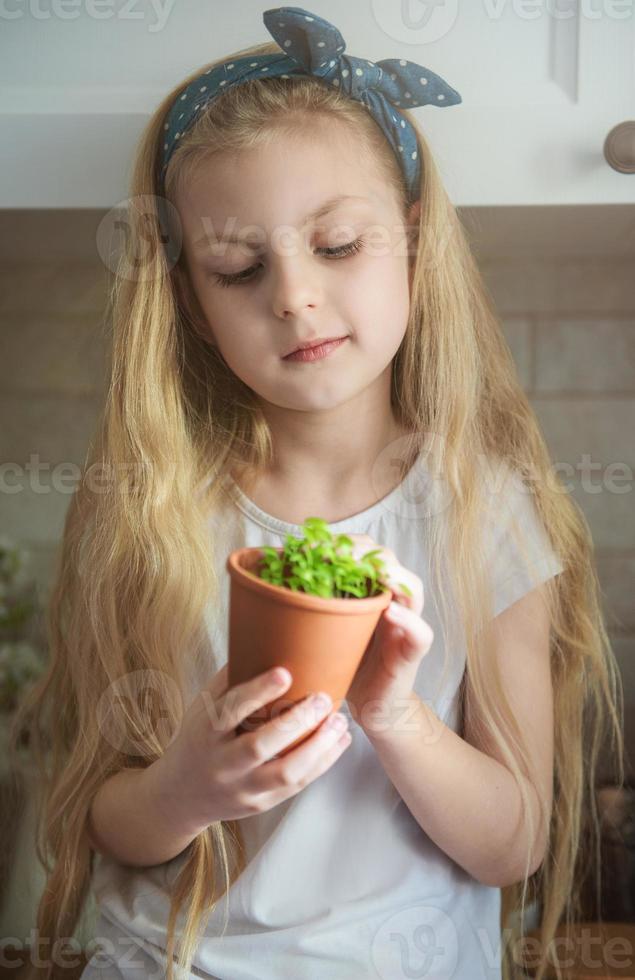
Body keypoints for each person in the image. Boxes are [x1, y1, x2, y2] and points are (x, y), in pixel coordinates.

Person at [9, 7, 626, 980]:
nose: (292, 295)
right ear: (196, 310)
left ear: (413, 248)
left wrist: (393, 711)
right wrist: (186, 786)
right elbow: (105, 818)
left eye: (335, 244)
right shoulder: (151, 510)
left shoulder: (483, 511)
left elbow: (512, 845)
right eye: (238, 267)